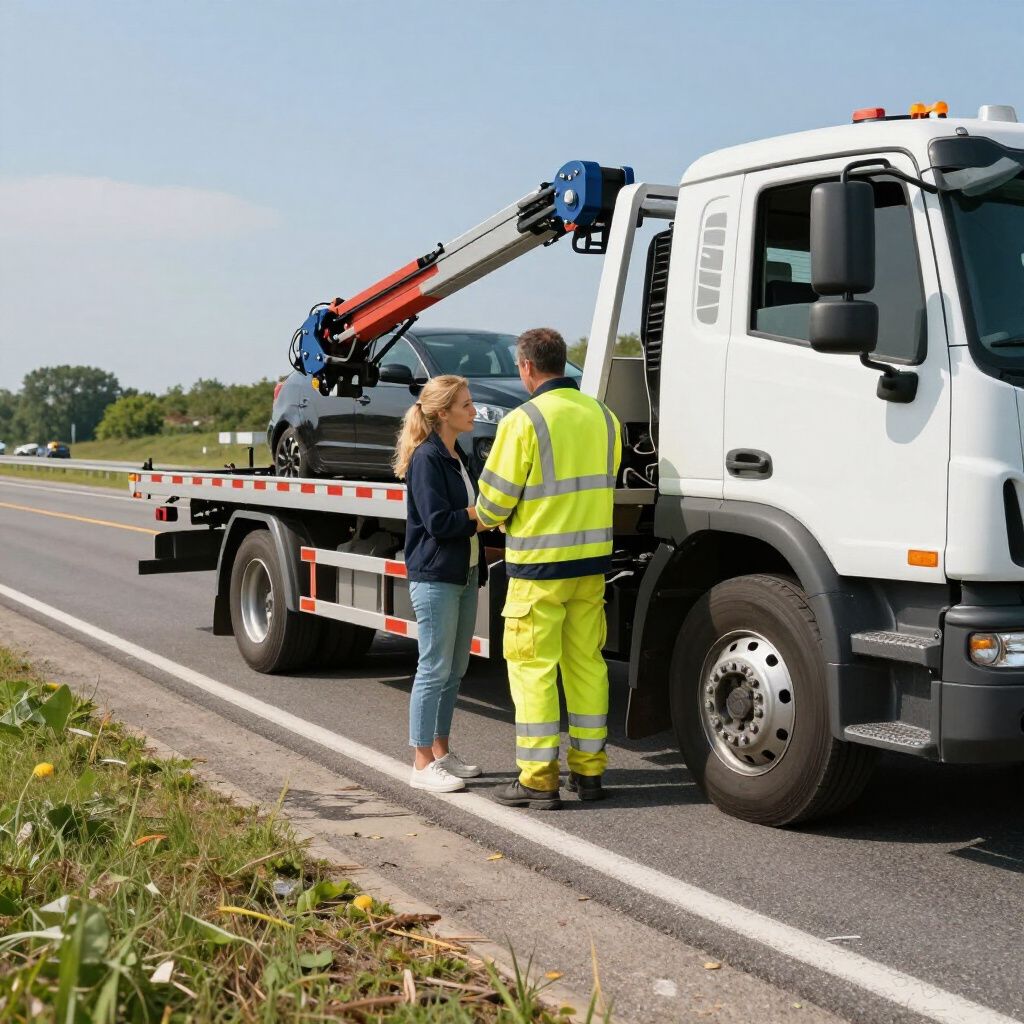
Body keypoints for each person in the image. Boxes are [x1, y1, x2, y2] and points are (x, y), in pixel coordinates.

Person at [475, 328, 621, 809]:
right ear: (563, 362)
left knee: (534, 670)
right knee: (587, 667)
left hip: (538, 570)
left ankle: (538, 779)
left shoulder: (524, 421)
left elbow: (492, 507)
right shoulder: (605, 417)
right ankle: (590, 772)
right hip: (591, 568)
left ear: (527, 368)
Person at [394, 374, 488, 793]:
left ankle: (441, 753)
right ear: (443, 412)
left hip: (464, 572)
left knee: (456, 669)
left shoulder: (457, 453)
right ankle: (420, 763)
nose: (474, 411)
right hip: (435, 576)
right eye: (466, 405)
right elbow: (437, 522)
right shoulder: (427, 458)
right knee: (433, 668)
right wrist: (477, 516)